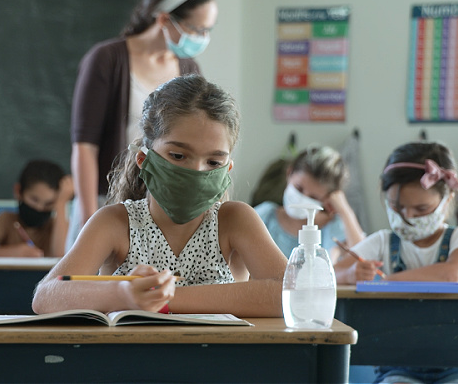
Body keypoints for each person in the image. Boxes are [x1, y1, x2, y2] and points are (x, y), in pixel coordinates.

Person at [33, 75, 287, 317]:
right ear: (144, 160)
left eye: (213, 161)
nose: (196, 172)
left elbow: (291, 292)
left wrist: (163, 298)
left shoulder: (236, 221)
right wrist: (122, 292)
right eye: (178, 156)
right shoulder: (114, 222)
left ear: (227, 169)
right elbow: (46, 297)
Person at [67, 0, 218, 251]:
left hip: (162, 210)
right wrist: (90, 220)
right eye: (197, 29)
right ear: (164, 19)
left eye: (208, 30)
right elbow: (85, 146)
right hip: (105, 202)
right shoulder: (107, 60)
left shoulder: (188, 68)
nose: (202, 37)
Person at [334, 141, 458, 384]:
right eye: (398, 207)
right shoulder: (382, 242)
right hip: (397, 366)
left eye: (421, 209)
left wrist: (384, 282)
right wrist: (351, 273)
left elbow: (452, 274)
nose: (408, 218)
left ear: (447, 199)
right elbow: (327, 275)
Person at [254, 145, 365, 260]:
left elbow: (363, 259)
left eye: (313, 197)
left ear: (327, 199)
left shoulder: (332, 226)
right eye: (299, 188)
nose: (302, 198)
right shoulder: (265, 216)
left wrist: (344, 210)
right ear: (290, 172)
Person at [0, 160, 73, 258]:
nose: (39, 208)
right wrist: (14, 252)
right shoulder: (7, 219)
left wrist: (61, 203)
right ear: (19, 191)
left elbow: (61, 256)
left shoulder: (59, 224)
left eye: (49, 203)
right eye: (34, 199)